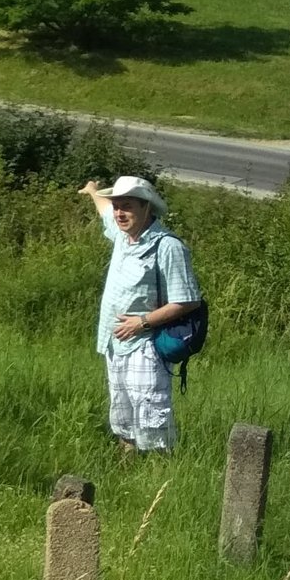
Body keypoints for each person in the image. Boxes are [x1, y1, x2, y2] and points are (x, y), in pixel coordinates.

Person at [82, 176, 202, 459]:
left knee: (151, 415)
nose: (119, 213)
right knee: (122, 414)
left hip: (145, 346)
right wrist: (93, 191)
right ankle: (128, 467)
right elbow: (104, 211)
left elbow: (187, 300)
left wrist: (142, 322)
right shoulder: (122, 235)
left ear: (146, 207)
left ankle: (160, 472)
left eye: (127, 206)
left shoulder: (167, 246)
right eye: (117, 206)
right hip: (115, 344)